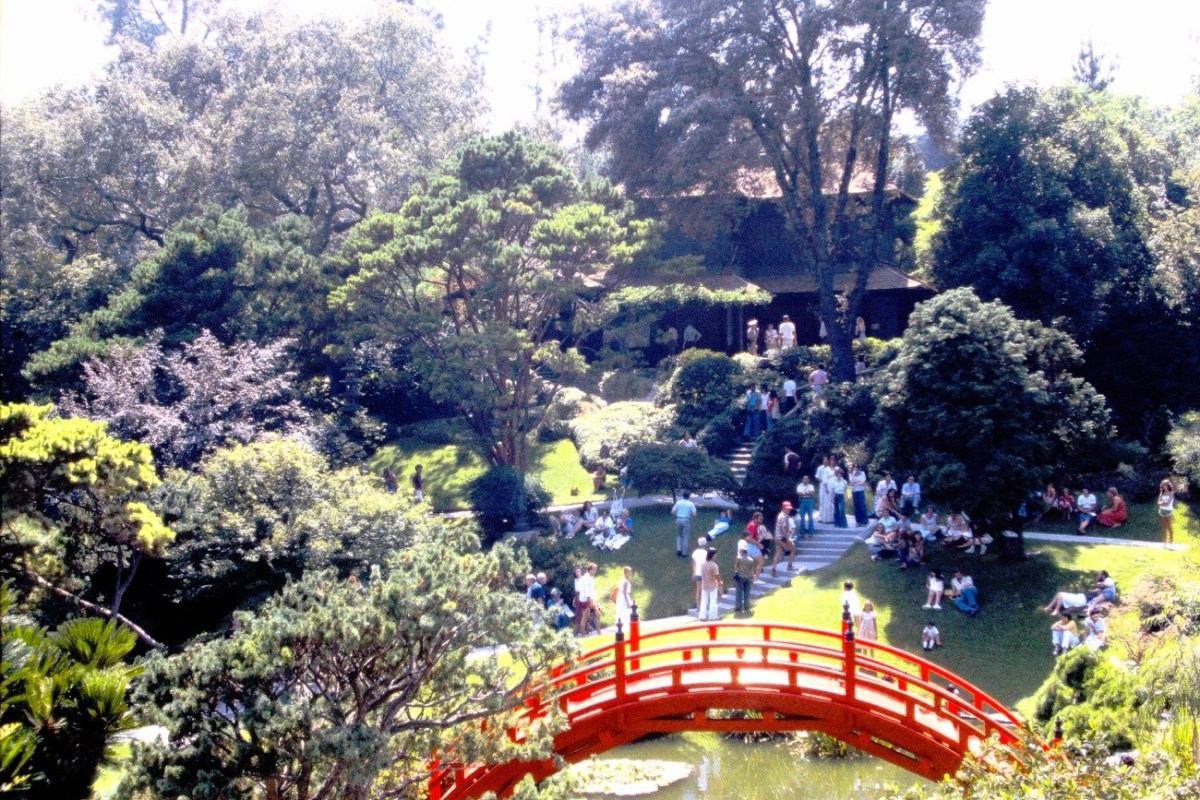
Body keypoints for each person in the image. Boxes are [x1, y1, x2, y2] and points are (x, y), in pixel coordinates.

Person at [771, 502, 796, 574]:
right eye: (787, 509)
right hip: (783, 538)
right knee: (793, 550)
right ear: (783, 508)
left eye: (789, 509)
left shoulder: (782, 515)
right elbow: (784, 528)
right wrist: (788, 538)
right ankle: (789, 566)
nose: (788, 510)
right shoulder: (783, 516)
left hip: (777, 537)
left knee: (778, 553)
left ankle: (773, 569)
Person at [672, 491, 698, 557]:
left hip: (678, 519)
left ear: (683, 496)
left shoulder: (678, 502)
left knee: (679, 535)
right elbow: (694, 514)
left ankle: (678, 549)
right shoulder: (690, 504)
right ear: (689, 496)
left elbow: (672, 511)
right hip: (686, 519)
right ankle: (684, 553)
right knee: (685, 536)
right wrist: (689, 513)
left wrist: (678, 514)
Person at [699, 548, 722, 621]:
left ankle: (702, 616)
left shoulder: (702, 564)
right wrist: (719, 582)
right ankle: (712, 616)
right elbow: (716, 576)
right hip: (712, 585)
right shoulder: (714, 565)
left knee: (704, 601)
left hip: (704, 584)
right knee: (713, 601)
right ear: (713, 555)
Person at [733, 541, 756, 613]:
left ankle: (738, 607)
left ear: (742, 551)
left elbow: (735, 566)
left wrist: (738, 570)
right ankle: (746, 606)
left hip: (740, 577)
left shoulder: (739, 558)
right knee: (747, 593)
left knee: (739, 592)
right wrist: (752, 579)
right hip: (748, 578)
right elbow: (752, 570)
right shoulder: (751, 559)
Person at [743, 512, 767, 578]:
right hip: (750, 545)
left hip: (749, 545)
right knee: (761, 561)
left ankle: (752, 579)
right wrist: (758, 544)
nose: (761, 520)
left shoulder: (754, 525)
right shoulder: (753, 525)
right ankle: (756, 579)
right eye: (760, 518)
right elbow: (750, 538)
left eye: (762, 518)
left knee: (751, 563)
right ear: (756, 518)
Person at [691, 536, 710, 607]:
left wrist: (694, 572)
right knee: (706, 589)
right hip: (705, 573)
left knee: (698, 589)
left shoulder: (695, 552)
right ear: (705, 543)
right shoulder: (706, 553)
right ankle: (706, 604)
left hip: (698, 573)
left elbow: (694, 564)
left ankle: (698, 605)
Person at [816, 456, 836, 524]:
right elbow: (817, 477)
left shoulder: (834, 468)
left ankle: (833, 517)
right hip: (824, 486)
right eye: (824, 460)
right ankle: (821, 517)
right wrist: (824, 482)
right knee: (823, 501)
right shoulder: (821, 468)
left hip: (833, 486)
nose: (825, 461)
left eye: (826, 460)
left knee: (832, 502)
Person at [614, 566, 634, 630]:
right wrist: (628, 602)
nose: (630, 573)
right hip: (624, 597)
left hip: (621, 596)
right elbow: (625, 592)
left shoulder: (622, 580)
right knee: (626, 610)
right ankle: (624, 625)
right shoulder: (625, 581)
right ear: (625, 572)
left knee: (621, 610)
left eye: (631, 571)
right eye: (629, 572)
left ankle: (622, 624)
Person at [1159, 478, 1176, 547]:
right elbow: (1159, 502)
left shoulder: (1171, 493)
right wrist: (1162, 503)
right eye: (1163, 485)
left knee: (1169, 527)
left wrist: (1162, 502)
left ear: (1169, 485)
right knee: (1164, 527)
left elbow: (1168, 503)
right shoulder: (1162, 493)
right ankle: (1164, 542)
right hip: (1161, 511)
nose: (1164, 487)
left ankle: (1171, 542)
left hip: (1168, 511)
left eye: (1165, 485)